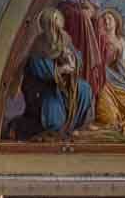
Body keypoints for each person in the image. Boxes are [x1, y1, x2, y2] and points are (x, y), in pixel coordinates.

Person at [7, 9, 94, 141]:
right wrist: (62, 69)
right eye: (51, 25)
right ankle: (52, 130)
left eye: (57, 24)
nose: (55, 30)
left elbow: (77, 58)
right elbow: (41, 70)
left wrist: (72, 59)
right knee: (54, 114)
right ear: (45, 26)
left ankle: (74, 126)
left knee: (84, 88)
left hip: (64, 84)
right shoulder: (39, 44)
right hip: (44, 88)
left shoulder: (65, 38)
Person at [55, 0, 109, 95]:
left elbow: (95, 12)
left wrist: (93, 14)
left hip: (92, 33)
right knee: (84, 65)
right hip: (81, 36)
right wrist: (83, 14)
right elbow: (65, 11)